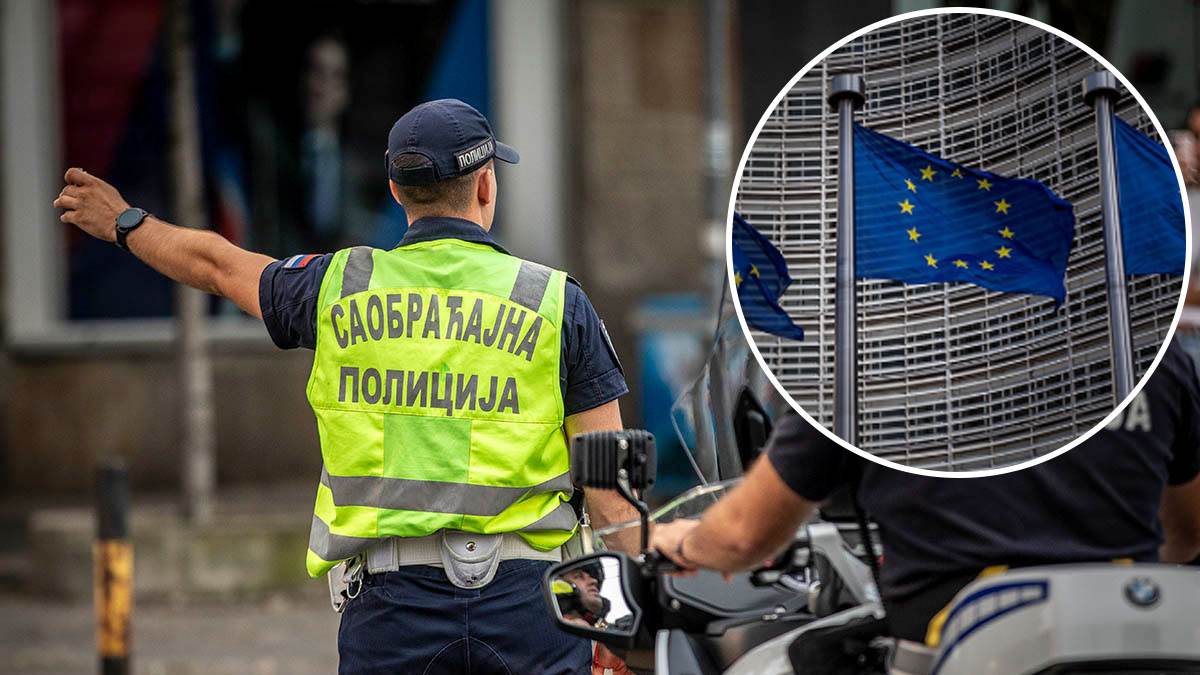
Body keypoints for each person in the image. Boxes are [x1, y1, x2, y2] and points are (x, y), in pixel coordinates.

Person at [55, 98, 639, 674]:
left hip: (392, 611)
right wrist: (621, 623)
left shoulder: (337, 287)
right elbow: (608, 490)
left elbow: (217, 264)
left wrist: (126, 223)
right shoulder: (556, 302)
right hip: (532, 607)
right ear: (486, 185)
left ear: (395, 191)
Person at [651, 338, 1200, 648]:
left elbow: (746, 534)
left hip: (948, 638)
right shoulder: (1154, 353)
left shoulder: (874, 360)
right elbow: (1188, 532)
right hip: (1132, 633)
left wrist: (680, 541)